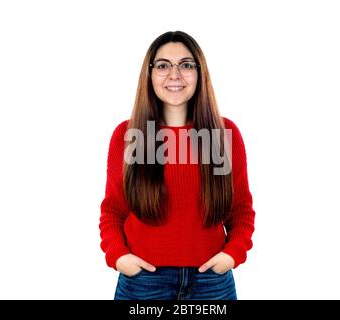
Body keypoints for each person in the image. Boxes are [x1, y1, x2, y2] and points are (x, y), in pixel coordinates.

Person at [99, 31, 256, 300]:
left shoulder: (222, 135)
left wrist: (232, 254)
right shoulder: (129, 137)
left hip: (211, 282)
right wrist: (119, 256)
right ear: (149, 75)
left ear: (199, 73)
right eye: (162, 66)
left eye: (186, 65)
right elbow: (113, 210)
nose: (175, 74)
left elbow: (240, 209)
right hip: (143, 283)